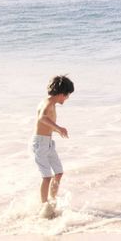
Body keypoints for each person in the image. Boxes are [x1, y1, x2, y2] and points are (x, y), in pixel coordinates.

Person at [33, 75, 74, 217]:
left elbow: (45, 122)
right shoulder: (47, 103)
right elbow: (42, 118)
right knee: (46, 177)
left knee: (58, 172)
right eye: (67, 96)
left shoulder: (51, 104)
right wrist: (59, 127)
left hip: (48, 143)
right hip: (40, 143)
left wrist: (57, 130)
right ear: (62, 93)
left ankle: (52, 201)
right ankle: (44, 208)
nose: (67, 99)